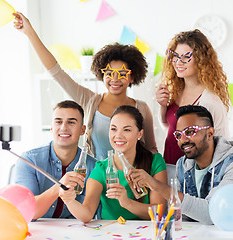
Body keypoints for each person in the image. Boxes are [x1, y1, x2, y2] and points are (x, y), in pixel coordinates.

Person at [13, 12, 157, 161]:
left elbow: (151, 150)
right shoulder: (90, 100)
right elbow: (56, 72)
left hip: (132, 180)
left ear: (132, 76)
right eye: (109, 73)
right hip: (96, 179)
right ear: (102, 74)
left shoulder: (142, 108)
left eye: (122, 74)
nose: (115, 79)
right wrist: (29, 32)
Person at [128, 105, 233, 224]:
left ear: (210, 133)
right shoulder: (183, 165)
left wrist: (156, 185)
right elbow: (183, 215)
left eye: (190, 132)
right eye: (179, 135)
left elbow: (214, 214)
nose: (183, 140)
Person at [59, 105, 167, 222]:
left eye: (127, 130)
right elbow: (87, 214)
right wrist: (69, 200)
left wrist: (127, 203)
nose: (118, 136)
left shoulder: (155, 162)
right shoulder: (101, 169)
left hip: (147, 233)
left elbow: (159, 212)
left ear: (139, 134)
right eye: (114, 129)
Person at [156, 29, 230, 165]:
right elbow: (170, 128)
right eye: (175, 55)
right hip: (169, 167)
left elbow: (222, 146)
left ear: (201, 60)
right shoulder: (175, 90)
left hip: (193, 174)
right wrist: (162, 106)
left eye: (186, 57)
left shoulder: (209, 101)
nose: (178, 62)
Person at [14, 100, 97, 220]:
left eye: (71, 122)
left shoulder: (94, 166)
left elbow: (89, 215)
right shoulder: (29, 161)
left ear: (82, 130)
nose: (64, 128)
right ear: (52, 128)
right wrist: (59, 187)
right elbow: (28, 212)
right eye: (58, 122)